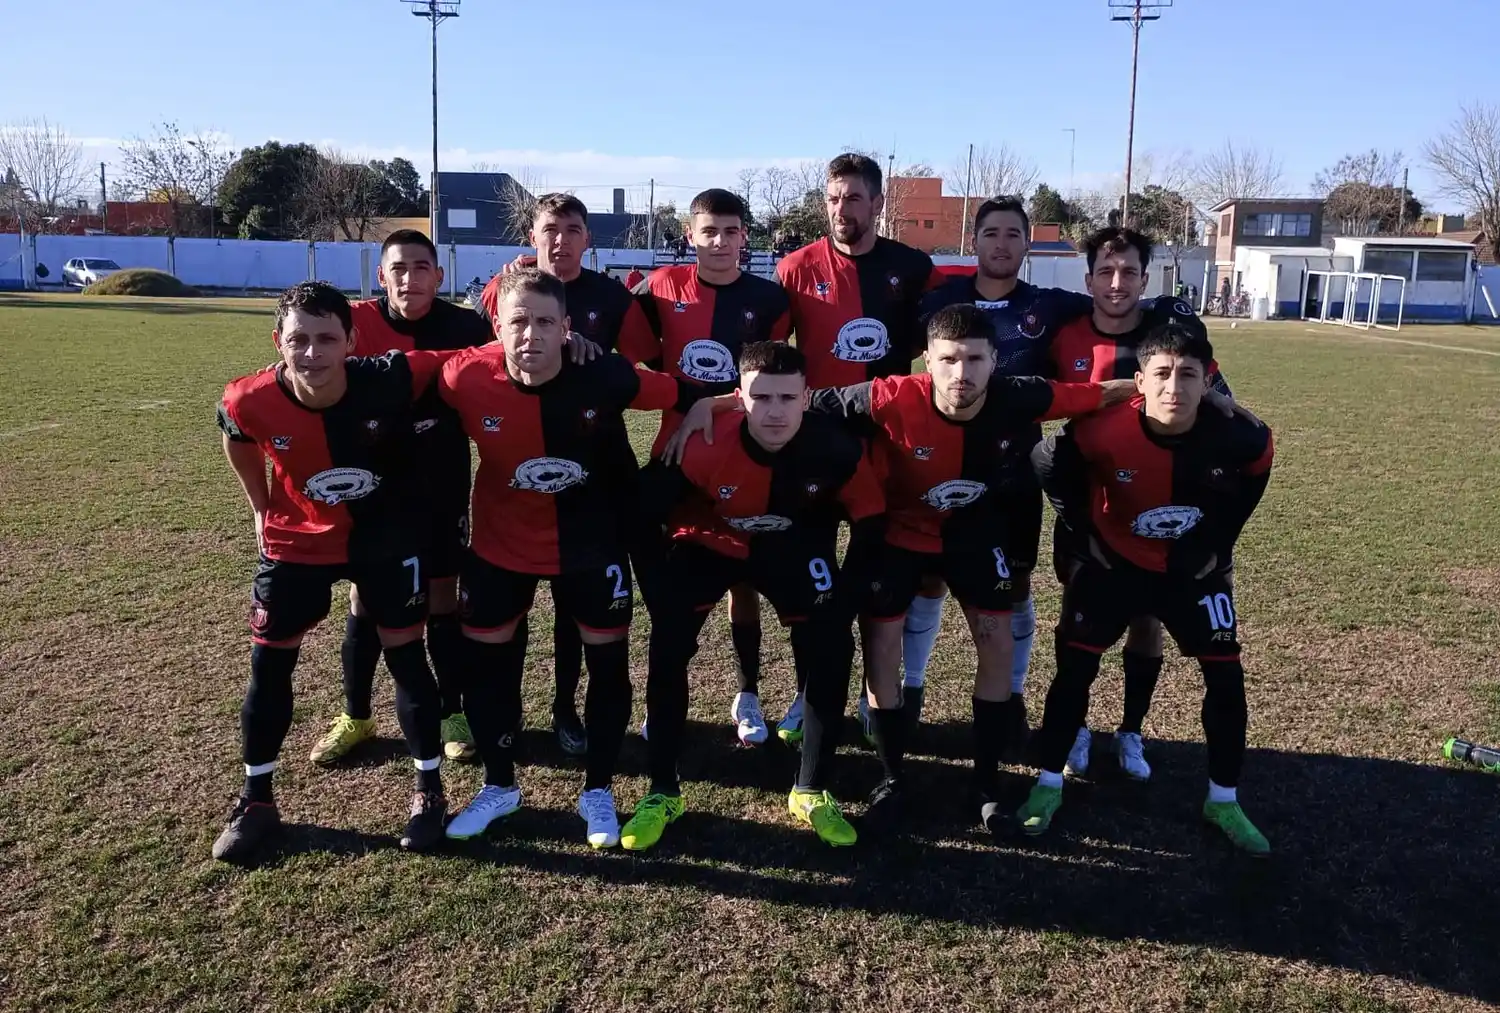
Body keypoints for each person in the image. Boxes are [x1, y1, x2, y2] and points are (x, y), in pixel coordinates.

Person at [674, 305, 1131, 835]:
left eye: (975, 360)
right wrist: (718, 399)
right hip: (896, 533)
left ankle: (986, 786)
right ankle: (892, 777)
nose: (962, 374)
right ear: (927, 362)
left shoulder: (1023, 395)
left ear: (994, 361)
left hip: (972, 530)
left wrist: (1183, 392)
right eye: (949, 360)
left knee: (997, 642)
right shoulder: (888, 395)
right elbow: (798, 398)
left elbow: (1101, 394)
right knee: (881, 651)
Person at [213, 281, 457, 862]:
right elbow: (236, 435)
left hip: (385, 536)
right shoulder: (248, 398)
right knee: (269, 666)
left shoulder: (392, 375)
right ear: (279, 341)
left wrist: (569, 343)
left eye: (327, 339)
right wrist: (260, 506)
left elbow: (468, 362)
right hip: (297, 540)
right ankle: (256, 800)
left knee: (406, 656)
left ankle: (428, 791)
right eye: (299, 340)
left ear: (350, 340)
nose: (313, 353)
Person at [437, 269, 682, 849]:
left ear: (567, 329)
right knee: (490, 667)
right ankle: (499, 786)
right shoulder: (461, 374)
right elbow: (389, 378)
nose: (530, 334)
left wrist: (701, 410)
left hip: (589, 544)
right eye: (517, 321)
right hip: (500, 547)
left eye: (545, 322)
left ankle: (598, 789)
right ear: (495, 326)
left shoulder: (605, 373)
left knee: (607, 666)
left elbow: (683, 392)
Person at [619, 342, 885, 851]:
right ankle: (662, 791)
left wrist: (845, 598)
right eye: (761, 397)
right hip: (710, 543)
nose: (775, 411)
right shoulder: (702, 442)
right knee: (668, 643)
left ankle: (811, 788)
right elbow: (638, 512)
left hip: (792, 545)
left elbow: (870, 522)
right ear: (738, 397)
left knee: (833, 644)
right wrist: (658, 590)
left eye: (787, 397)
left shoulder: (836, 447)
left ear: (807, 398)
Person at [1023, 323, 1274, 855]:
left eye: (1188, 375)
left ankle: (1223, 799)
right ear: (1139, 380)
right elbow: (1047, 460)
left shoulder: (1240, 432)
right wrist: (1082, 533)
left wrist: (1219, 541)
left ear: (1208, 381)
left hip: (1190, 572)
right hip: (1113, 566)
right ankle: (1047, 784)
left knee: (1226, 679)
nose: (1174, 388)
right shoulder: (1103, 430)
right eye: (1161, 374)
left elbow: (1259, 463)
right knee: (1074, 670)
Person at [905, 198, 1092, 747]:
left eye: (1014, 234)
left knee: (1014, 587)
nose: (1002, 244)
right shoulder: (938, 303)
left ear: (1028, 243)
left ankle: (1010, 695)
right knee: (929, 578)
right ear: (975, 241)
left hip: (1014, 474)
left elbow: (1119, 311)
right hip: (941, 465)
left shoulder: (1050, 304)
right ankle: (911, 690)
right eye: (991, 233)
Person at [1048, 228, 1233, 782]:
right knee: (1077, 615)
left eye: (1128, 272)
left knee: (1147, 618)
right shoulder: (1065, 336)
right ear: (1088, 280)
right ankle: (1076, 727)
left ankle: (1131, 729)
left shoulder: (1169, 337)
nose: (1116, 283)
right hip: (1088, 503)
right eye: (1105, 272)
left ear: (1145, 280)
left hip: (1158, 502)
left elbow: (1222, 401)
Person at [476, 193, 656, 758]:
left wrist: (595, 357)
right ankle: (507, 715)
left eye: (573, 229)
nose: (561, 239)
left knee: (580, 600)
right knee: (514, 596)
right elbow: (489, 353)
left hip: (597, 464)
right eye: (550, 228)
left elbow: (644, 366)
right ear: (532, 236)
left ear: (587, 239)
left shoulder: (611, 297)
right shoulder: (503, 288)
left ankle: (565, 709)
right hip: (524, 465)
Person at [775, 153, 945, 743]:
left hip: (893, 444)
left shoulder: (913, 267)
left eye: (853, 198)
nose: (841, 209)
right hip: (816, 446)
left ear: (877, 203)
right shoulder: (795, 268)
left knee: (886, 575)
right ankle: (809, 693)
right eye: (832, 198)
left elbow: (960, 328)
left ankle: (886, 692)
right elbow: (764, 360)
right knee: (813, 576)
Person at [308, 230, 493, 771]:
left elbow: (514, 358)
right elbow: (305, 361)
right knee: (367, 599)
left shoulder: (467, 327)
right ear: (381, 276)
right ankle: (356, 714)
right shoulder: (354, 323)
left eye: (421, 267)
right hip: (372, 485)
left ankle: (452, 712)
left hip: (440, 480)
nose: (409, 278)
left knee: (442, 595)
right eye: (398, 268)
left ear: (439, 276)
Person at [629, 188, 792, 748]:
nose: (719, 242)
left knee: (742, 577)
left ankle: (747, 693)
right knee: (672, 572)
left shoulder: (769, 301)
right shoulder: (659, 287)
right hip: (676, 453)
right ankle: (665, 696)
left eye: (730, 231)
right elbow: (635, 359)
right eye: (708, 231)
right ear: (690, 235)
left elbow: (772, 379)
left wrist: (717, 402)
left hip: (746, 453)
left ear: (745, 237)